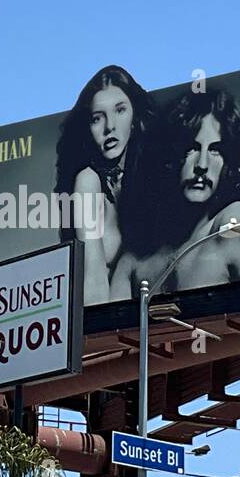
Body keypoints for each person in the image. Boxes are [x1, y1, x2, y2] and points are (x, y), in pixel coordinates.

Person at [110, 87, 240, 297]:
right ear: (170, 155)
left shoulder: (236, 224)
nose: (202, 165)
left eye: (216, 150)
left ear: (230, 160)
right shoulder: (133, 261)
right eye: (191, 148)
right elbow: (104, 328)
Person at [54, 66, 158, 303]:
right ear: (87, 128)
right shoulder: (88, 182)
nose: (109, 126)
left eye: (120, 110)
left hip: (162, 319)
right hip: (117, 327)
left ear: (135, 118)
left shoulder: (151, 173)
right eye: (97, 118)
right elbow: (93, 278)